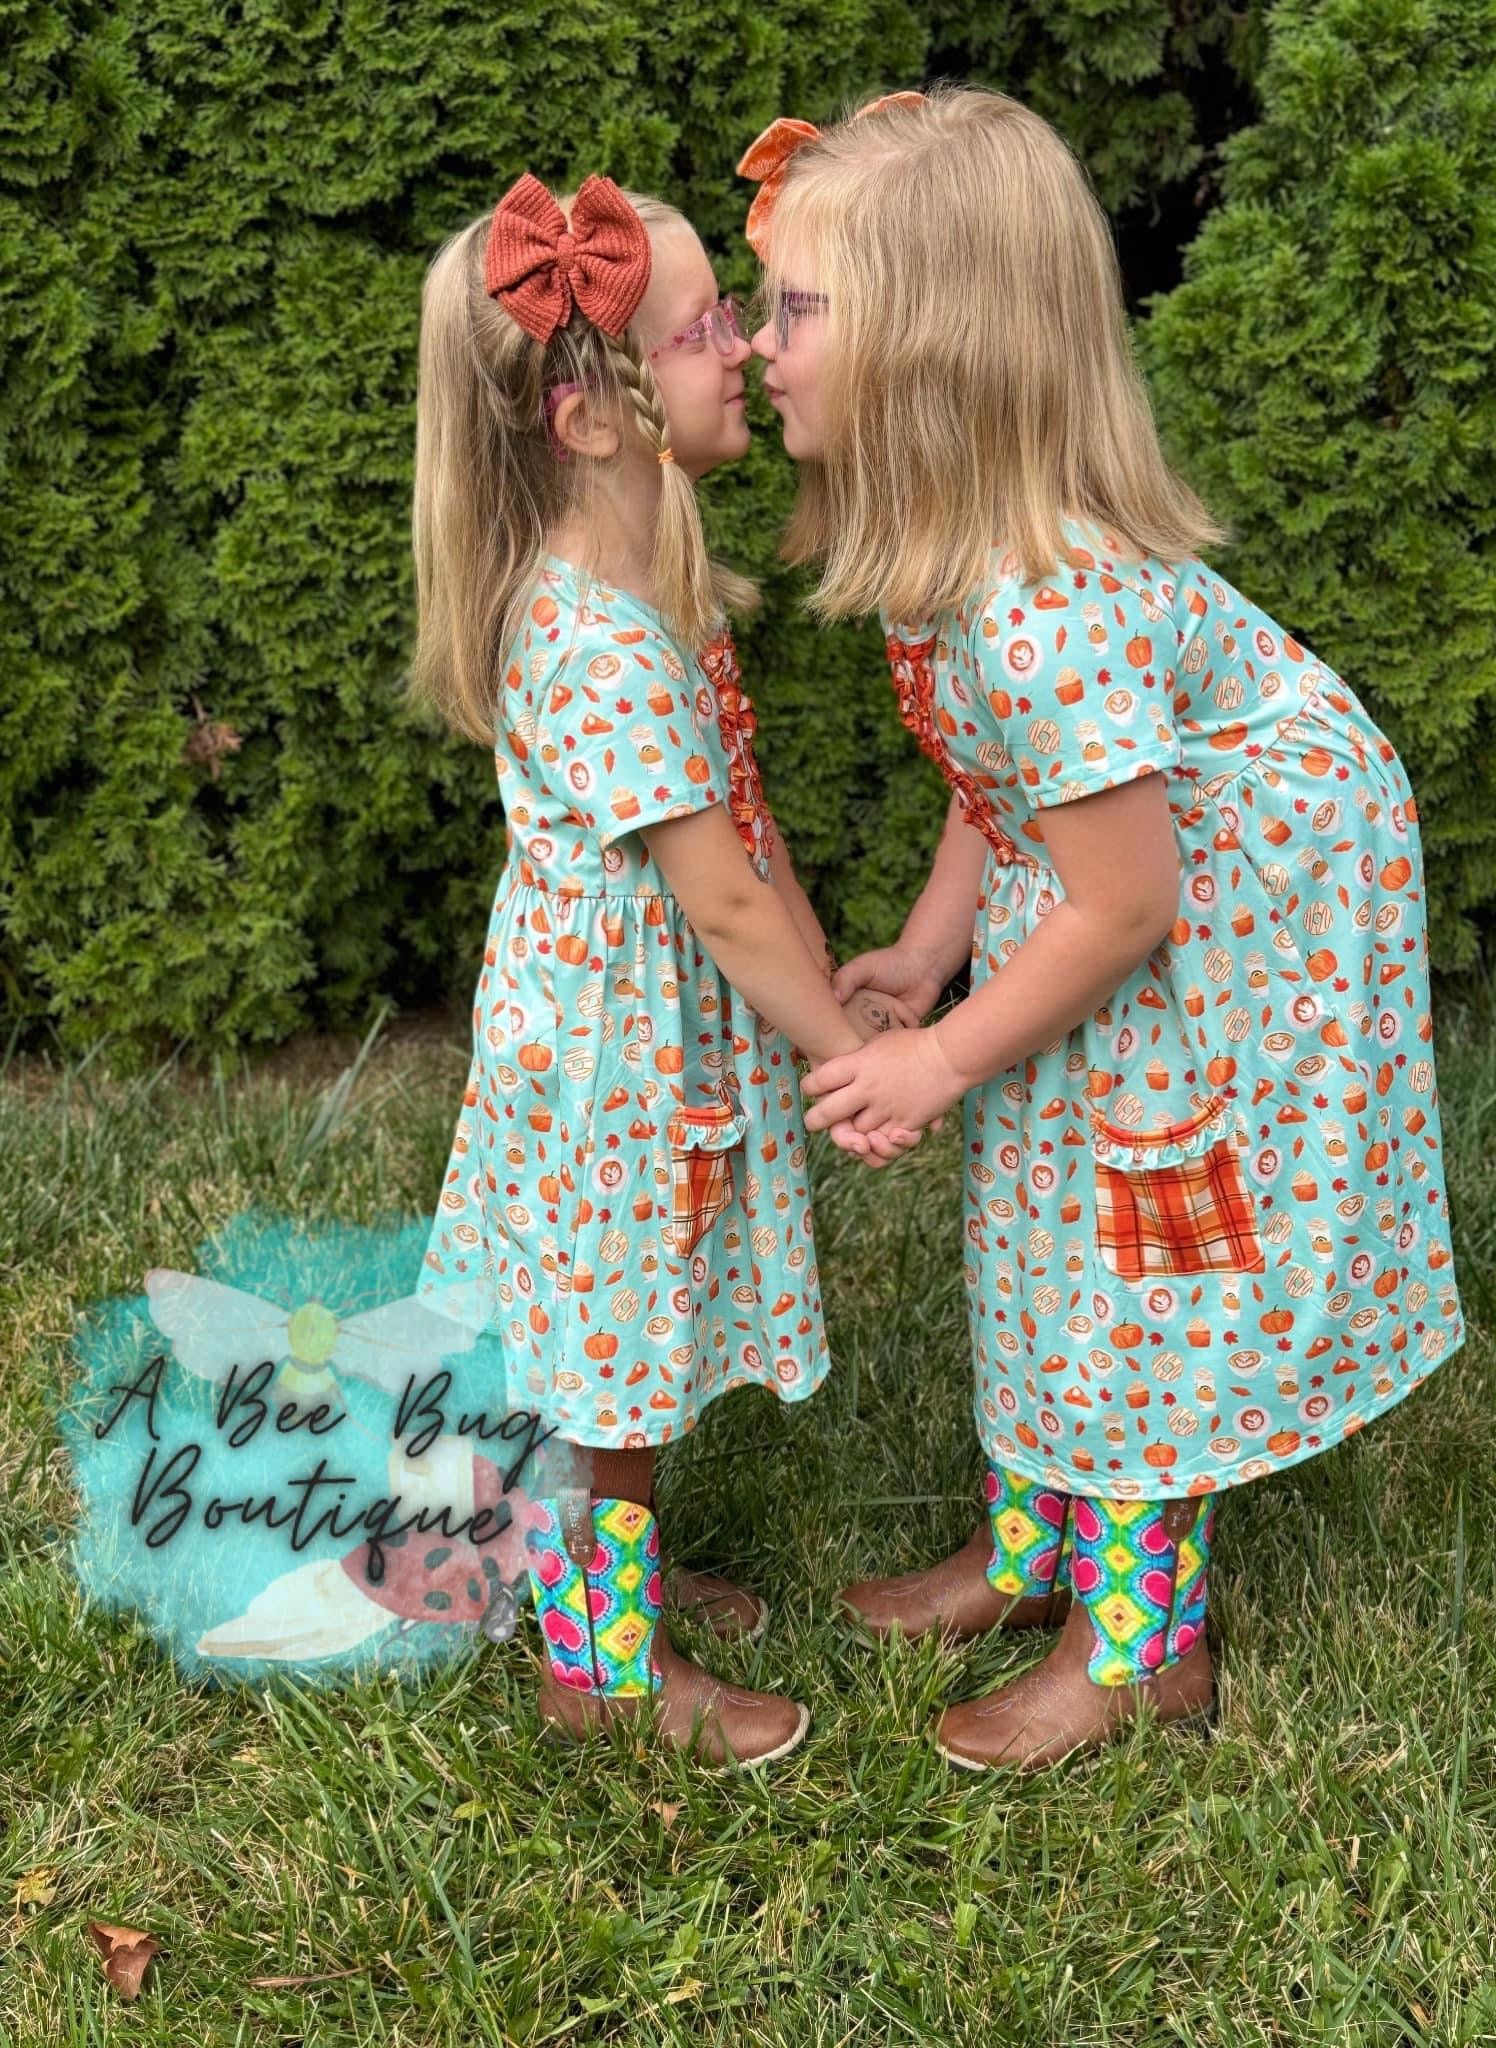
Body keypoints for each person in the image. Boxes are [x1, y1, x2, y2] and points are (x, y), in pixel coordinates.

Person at [742, 86, 1465, 1771]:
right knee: (1041, 1205)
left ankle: (1144, 1644)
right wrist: (935, 953)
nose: (756, 345)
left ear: (930, 346)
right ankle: (1032, 1547)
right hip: (1124, 884)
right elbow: (995, 787)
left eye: (794, 309)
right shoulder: (960, 562)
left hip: (1233, 910)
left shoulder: (1047, 608)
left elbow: (1128, 898)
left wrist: (936, 1055)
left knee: (1141, 1249)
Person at [410, 169, 917, 1767]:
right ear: (594, 417)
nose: (747, 350)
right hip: (612, 1064)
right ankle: (601, 1665)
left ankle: (597, 1576)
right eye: (705, 329)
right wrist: (845, 1049)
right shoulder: (596, 640)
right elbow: (724, 906)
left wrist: (828, 978)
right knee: (607, 1369)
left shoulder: (656, 599)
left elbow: (751, 839)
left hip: (639, 1047)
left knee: (631, 1340)